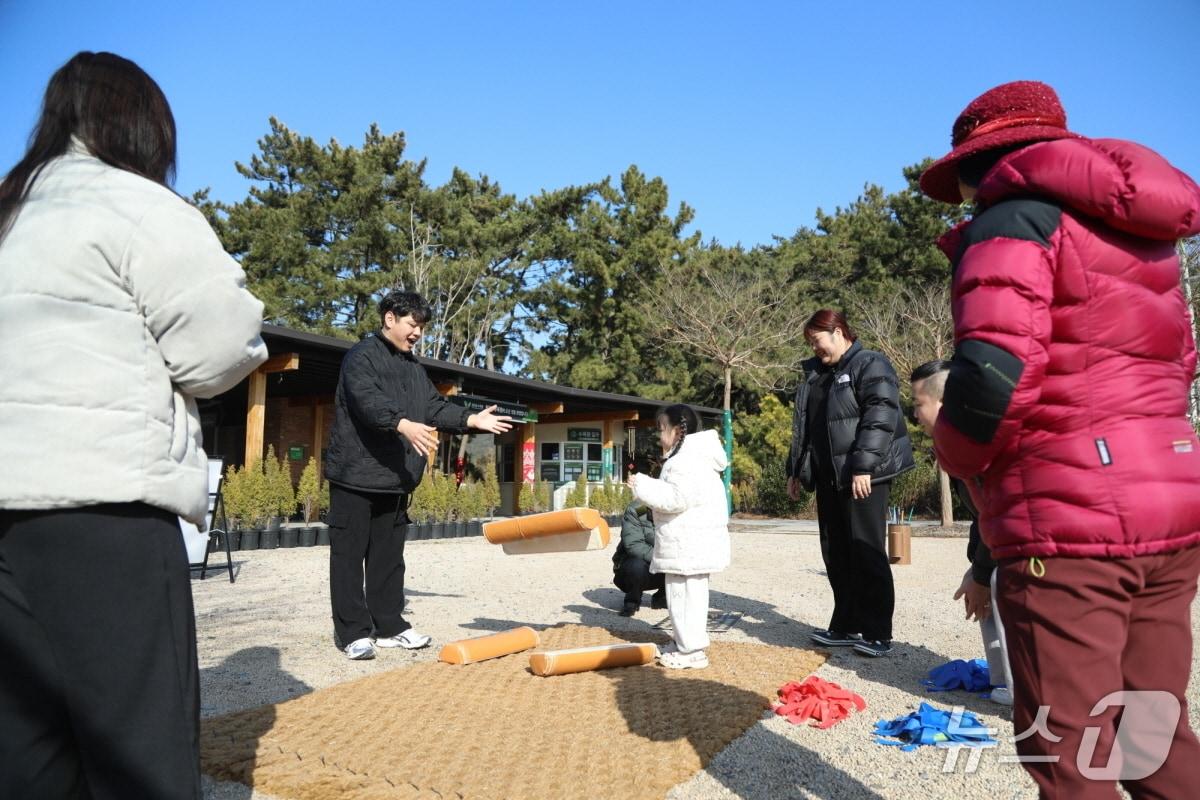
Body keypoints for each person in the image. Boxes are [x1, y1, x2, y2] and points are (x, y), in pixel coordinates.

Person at [920, 80, 1200, 797]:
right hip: (1170, 505)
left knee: (1068, 752)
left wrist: (954, 453)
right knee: (1151, 735)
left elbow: (993, 375)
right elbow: (1181, 363)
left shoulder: (1014, 221)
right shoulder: (1143, 236)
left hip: (1067, 521)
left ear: (981, 165)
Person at [0, 52, 268, 799]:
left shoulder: (10, 208)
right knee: (138, 748)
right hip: (102, 501)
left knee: (25, 750)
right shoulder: (136, 205)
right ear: (145, 127)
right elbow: (221, 347)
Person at [324, 290, 512, 660]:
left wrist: (471, 419)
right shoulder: (361, 357)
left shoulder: (413, 367)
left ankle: (389, 627)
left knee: (388, 559)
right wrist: (402, 424)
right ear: (389, 319)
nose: (418, 333)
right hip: (354, 475)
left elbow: (434, 407)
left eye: (422, 327)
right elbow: (367, 402)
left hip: (395, 479)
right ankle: (353, 633)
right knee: (348, 557)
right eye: (413, 324)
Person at [786, 309, 915, 657]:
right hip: (829, 477)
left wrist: (863, 466)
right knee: (836, 552)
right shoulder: (818, 375)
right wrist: (795, 470)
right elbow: (805, 427)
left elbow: (880, 415)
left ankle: (877, 632)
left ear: (839, 332)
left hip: (862, 477)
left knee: (866, 550)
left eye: (817, 340)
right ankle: (845, 624)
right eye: (810, 343)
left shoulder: (870, 364)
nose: (815, 349)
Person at [911, 360, 1013, 706]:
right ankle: (1004, 682)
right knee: (985, 584)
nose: (915, 415)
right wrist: (975, 568)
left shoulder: (981, 443)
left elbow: (998, 514)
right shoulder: (954, 446)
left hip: (1034, 544)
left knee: (1000, 584)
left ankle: (1028, 689)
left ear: (945, 404)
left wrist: (982, 574)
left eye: (918, 404)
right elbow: (979, 516)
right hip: (1001, 538)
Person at [627, 404, 730, 669]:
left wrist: (642, 485)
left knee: (684, 599)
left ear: (677, 431)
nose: (659, 435)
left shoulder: (684, 461)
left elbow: (676, 498)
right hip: (692, 542)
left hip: (687, 543)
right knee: (685, 597)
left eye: (661, 429)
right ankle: (684, 643)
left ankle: (691, 651)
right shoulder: (697, 457)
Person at [612, 453, 667, 616]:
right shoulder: (638, 509)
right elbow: (634, 546)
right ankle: (632, 601)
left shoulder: (674, 511)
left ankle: (662, 598)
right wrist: (662, 558)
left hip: (660, 563)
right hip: (636, 565)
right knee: (635, 565)